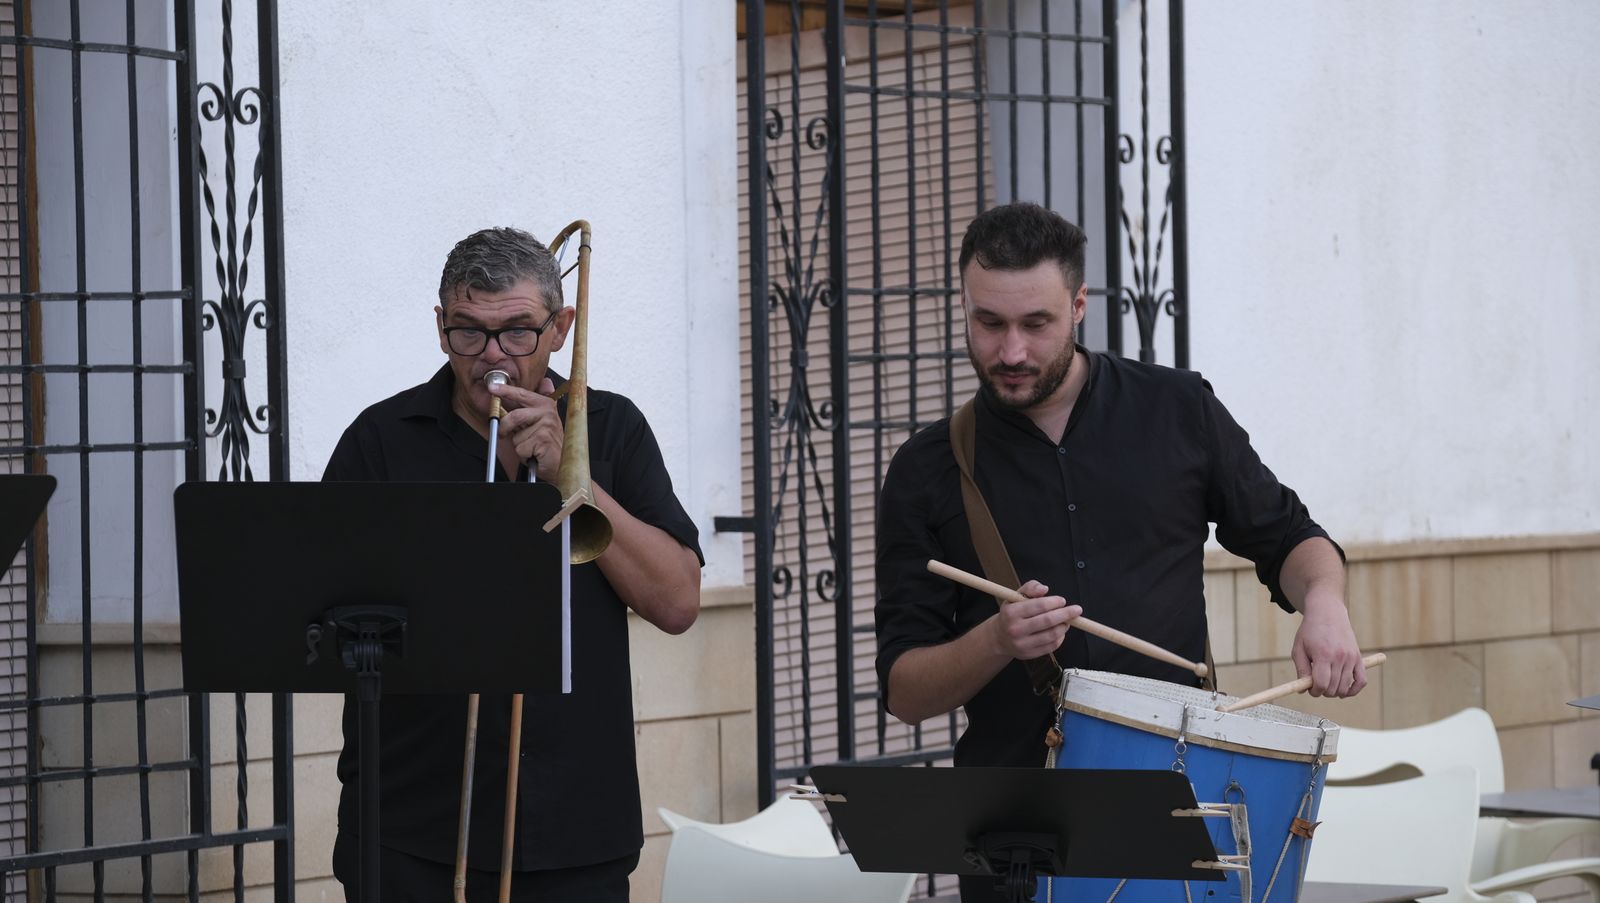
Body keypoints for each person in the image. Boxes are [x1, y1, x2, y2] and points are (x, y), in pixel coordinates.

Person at [873, 202, 1365, 901]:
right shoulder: (927, 469)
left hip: (1183, 814)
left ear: (1078, 307)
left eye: (1035, 324)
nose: (1010, 351)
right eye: (989, 323)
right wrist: (995, 640)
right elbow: (904, 689)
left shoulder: (1179, 409)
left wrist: (1323, 603)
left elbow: (1292, 538)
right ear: (964, 307)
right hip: (1013, 840)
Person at [322, 226, 703, 903]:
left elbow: (676, 601)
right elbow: (325, 614)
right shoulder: (380, 443)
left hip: (576, 831)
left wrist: (574, 478)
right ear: (441, 328)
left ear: (561, 328)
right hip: (413, 830)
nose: (492, 357)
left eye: (518, 332)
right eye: (469, 331)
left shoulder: (613, 429)